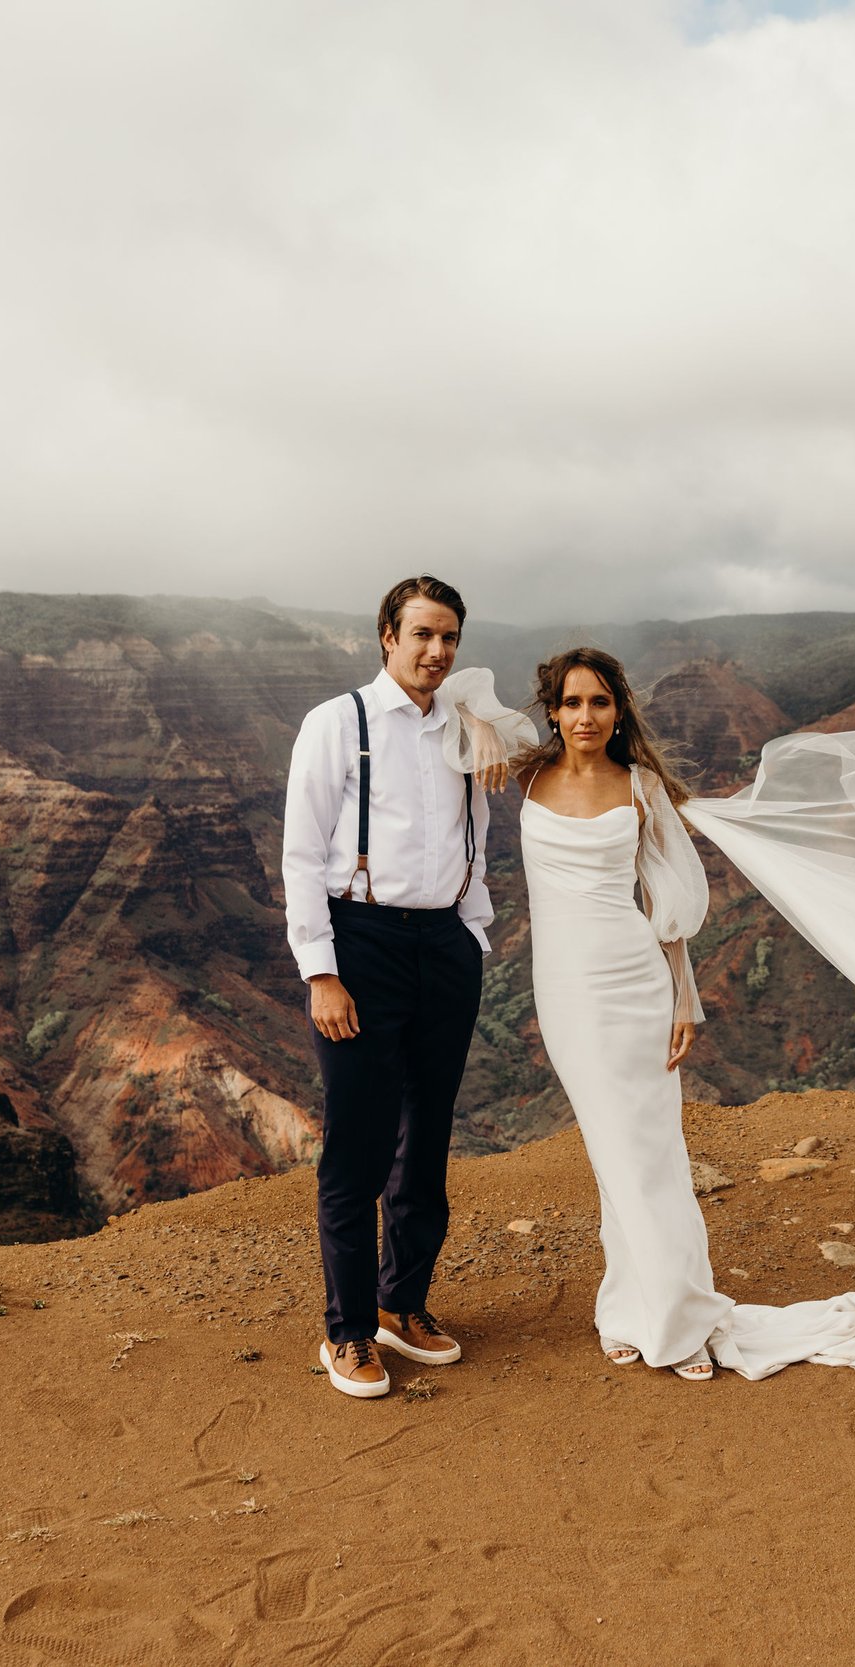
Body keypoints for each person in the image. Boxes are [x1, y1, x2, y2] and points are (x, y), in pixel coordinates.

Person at [515, 647, 855, 1381]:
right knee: (614, 1157)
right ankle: (624, 1307)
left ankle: (679, 1318)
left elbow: (671, 909)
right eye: (573, 702)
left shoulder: (640, 788)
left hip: (630, 979)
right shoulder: (525, 771)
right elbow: (442, 721)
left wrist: (683, 998)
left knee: (649, 1157)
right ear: (552, 709)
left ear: (619, 711)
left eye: (600, 702)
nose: (586, 716)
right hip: (563, 991)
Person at [280, 575, 528, 1400]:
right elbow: (301, 855)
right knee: (357, 1140)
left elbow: (478, 833)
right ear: (386, 635)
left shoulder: (466, 727)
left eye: (450, 637)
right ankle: (347, 1331)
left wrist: (473, 928)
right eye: (422, 634)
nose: (437, 651)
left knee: (426, 1137)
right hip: (362, 943)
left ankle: (402, 1304)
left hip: (445, 944)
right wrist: (322, 970)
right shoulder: (336, 723)